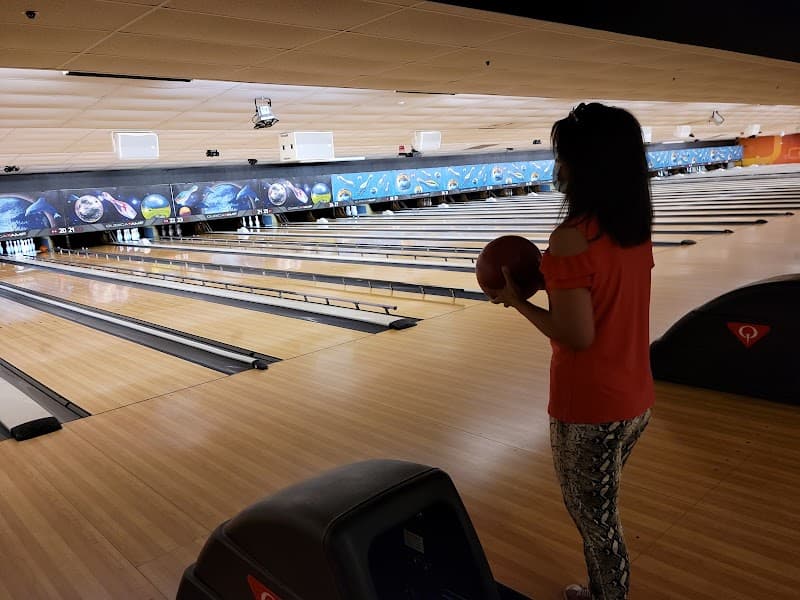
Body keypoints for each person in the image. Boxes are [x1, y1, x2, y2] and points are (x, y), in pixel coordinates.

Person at [488, 102, 655, 600]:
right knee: (599, 510)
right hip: (635, 398)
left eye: (563, 156)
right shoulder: (632, 229)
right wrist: (555, 283)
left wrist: (516, 301)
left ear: (585, 165)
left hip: (590, 407)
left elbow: (576, 335)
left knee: (596, 522)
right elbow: (602, 296)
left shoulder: (570, 239)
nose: (557, 166)